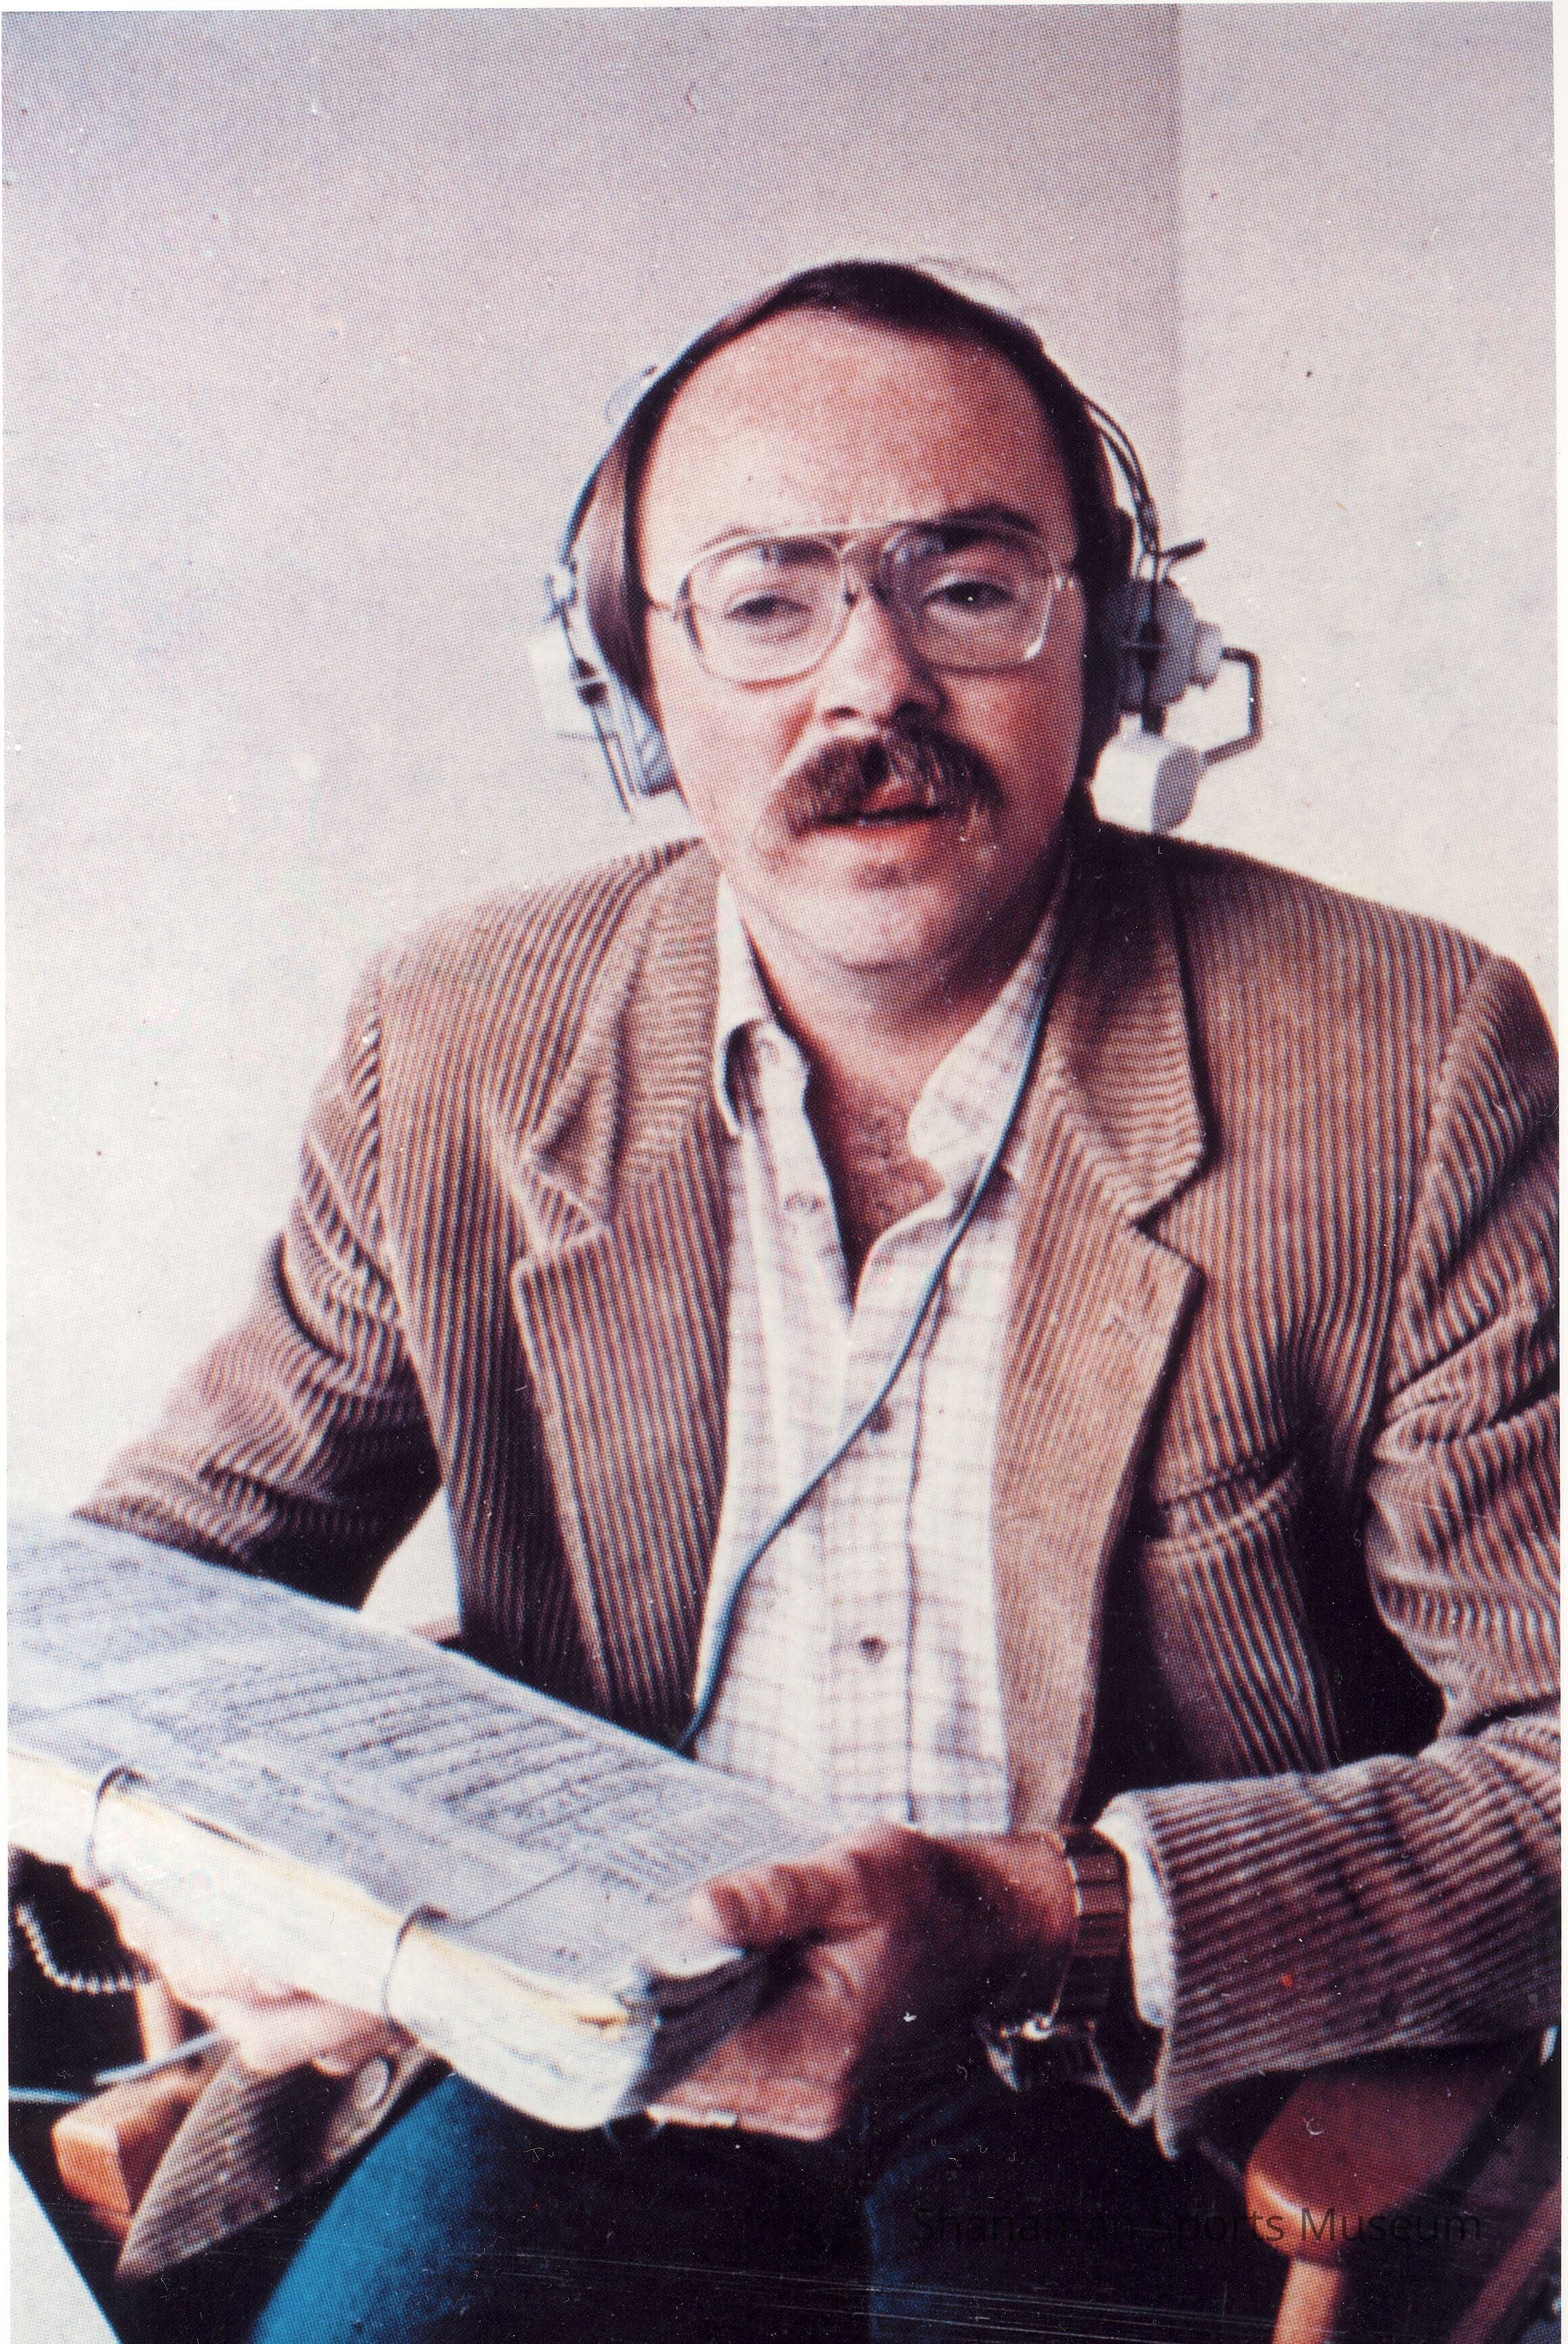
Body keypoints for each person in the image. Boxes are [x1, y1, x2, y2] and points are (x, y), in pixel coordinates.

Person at [78, 262, 1557, 2344]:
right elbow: (138, 1599)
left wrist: (1052, 1913)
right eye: (765, 599)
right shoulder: (462, 1035)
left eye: (970, 585)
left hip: (1139, 2087)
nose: (872, 684)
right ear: (622, 682)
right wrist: (195, 1883)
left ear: (1118, 649)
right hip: (597, 2067)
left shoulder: (1402, 1054)